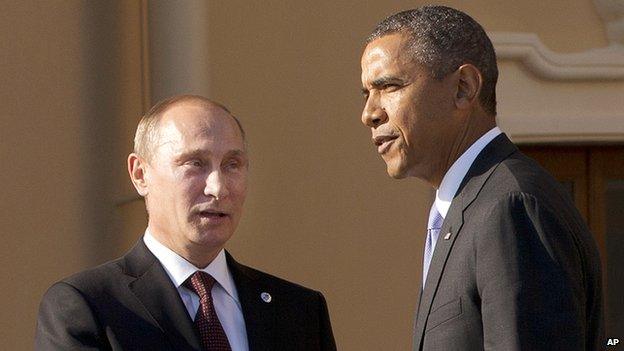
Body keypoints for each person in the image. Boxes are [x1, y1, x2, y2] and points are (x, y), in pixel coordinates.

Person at [360, 6, 603, 351]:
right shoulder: (465, 209)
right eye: (366, 93)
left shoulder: (510, 207)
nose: (369, 113)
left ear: (464, 87)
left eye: (389, 86)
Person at [35, 95, 337, 351]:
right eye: (195, 164)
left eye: (233, 165)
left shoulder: (299, 311)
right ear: (140, 174)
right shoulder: (89, 307)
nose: (218, 188)